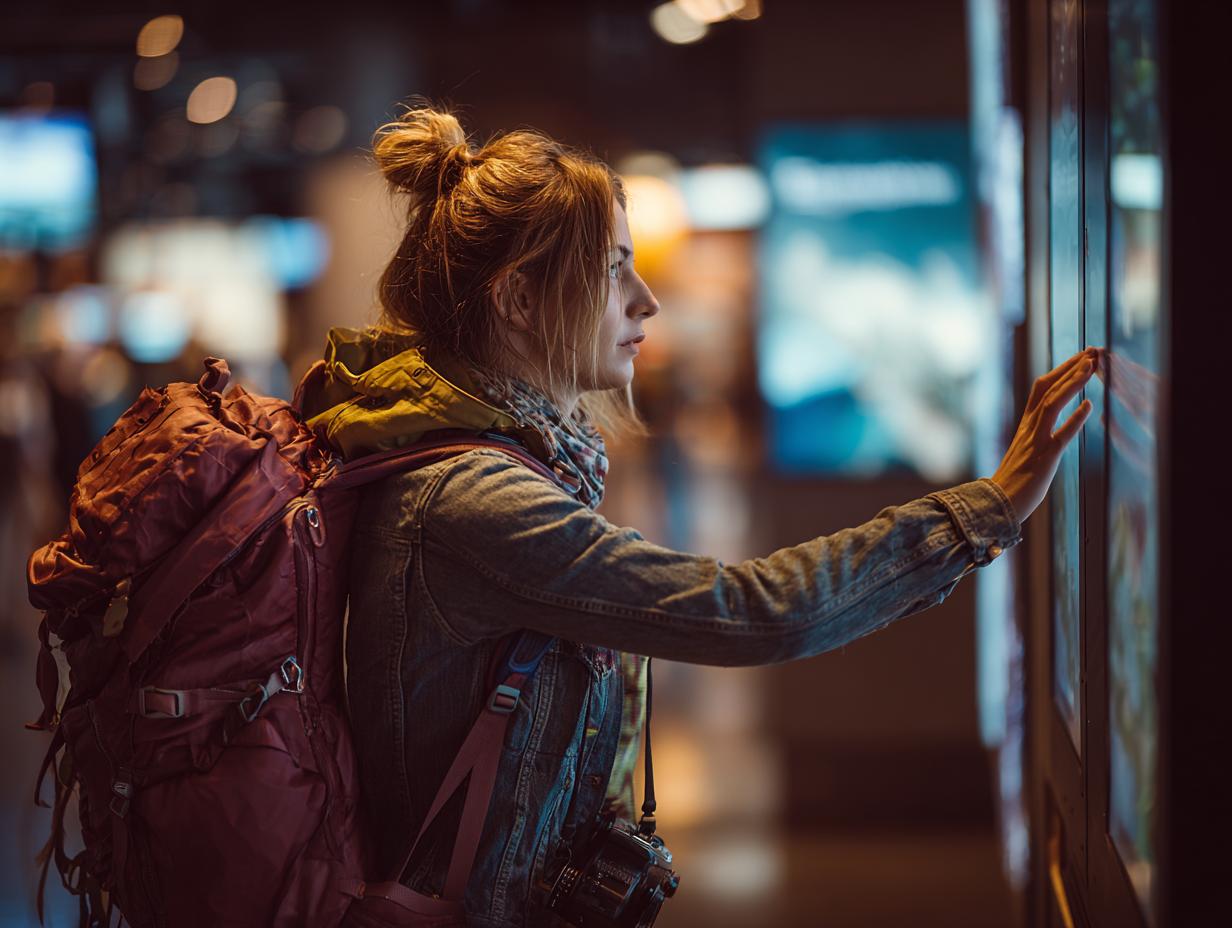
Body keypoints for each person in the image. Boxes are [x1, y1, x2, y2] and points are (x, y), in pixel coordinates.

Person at [297, 104, 1098, 927]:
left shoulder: (489, 465)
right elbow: (749, 612)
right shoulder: (477, 503)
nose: (645, 301)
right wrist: (987, 509)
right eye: (612, 270)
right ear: (520, 300)